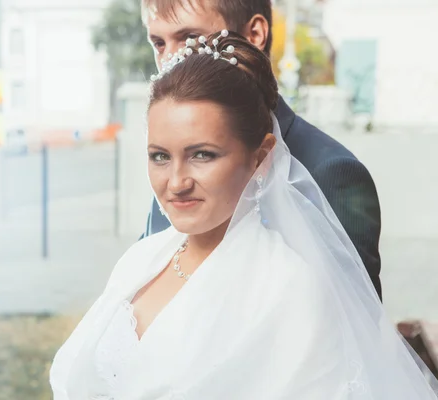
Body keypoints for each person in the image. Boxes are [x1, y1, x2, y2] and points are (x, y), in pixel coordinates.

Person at [50, 32, 438, 399]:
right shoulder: (140, 260)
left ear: (262, 157)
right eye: (160, 157)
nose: (176, 182)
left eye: (202, 154)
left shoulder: (290, 287)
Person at [140, 0, 383, 299]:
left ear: (255, 34)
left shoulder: (332, 172)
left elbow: (357, 327)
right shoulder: (172, 166)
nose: (171, 61)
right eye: (159, 43)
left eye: (190, 39)